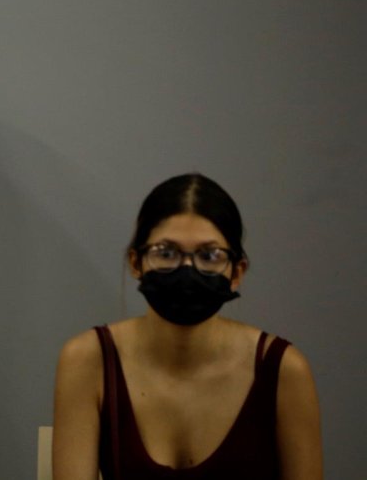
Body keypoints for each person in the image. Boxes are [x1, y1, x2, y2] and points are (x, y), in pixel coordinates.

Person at [52, 173, 322, 479]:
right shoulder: (88, 360)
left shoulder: (283, 369)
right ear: (136, 262)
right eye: (166, 253)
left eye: (210, 255)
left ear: (237, 272)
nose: (187, 271)